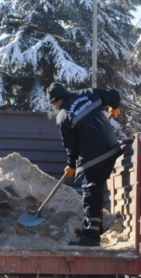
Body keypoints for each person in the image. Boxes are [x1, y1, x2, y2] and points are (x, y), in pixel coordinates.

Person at [47, 82, 123, 247]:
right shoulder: (89, 93)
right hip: (111, 150)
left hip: (93, 157)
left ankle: (91, 236)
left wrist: (71, 165)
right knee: (96, 190)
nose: (54, 108)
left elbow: (71, 146)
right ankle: (96, 228)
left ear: (57, 100)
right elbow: (114, 95)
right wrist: (114, 107)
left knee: (90, 192)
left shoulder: (64, 116)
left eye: (53, 104)